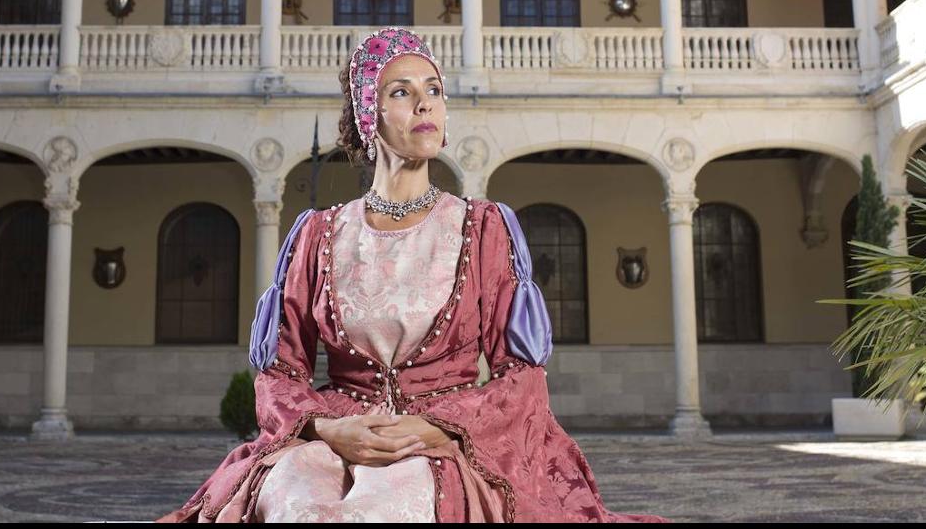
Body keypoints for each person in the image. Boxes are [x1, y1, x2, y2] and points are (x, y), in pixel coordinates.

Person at [156, 27, 670, 523]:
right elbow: (279, 373)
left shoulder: (484, 228)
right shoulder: (317, 234)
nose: (425, 104)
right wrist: (331, 430)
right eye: (402, 92)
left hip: (438, 440)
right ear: (367, 114)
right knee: (295, 506)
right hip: (337, 434)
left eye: (434, 91)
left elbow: (522, 377)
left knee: (379, 513)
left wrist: (430, 429)